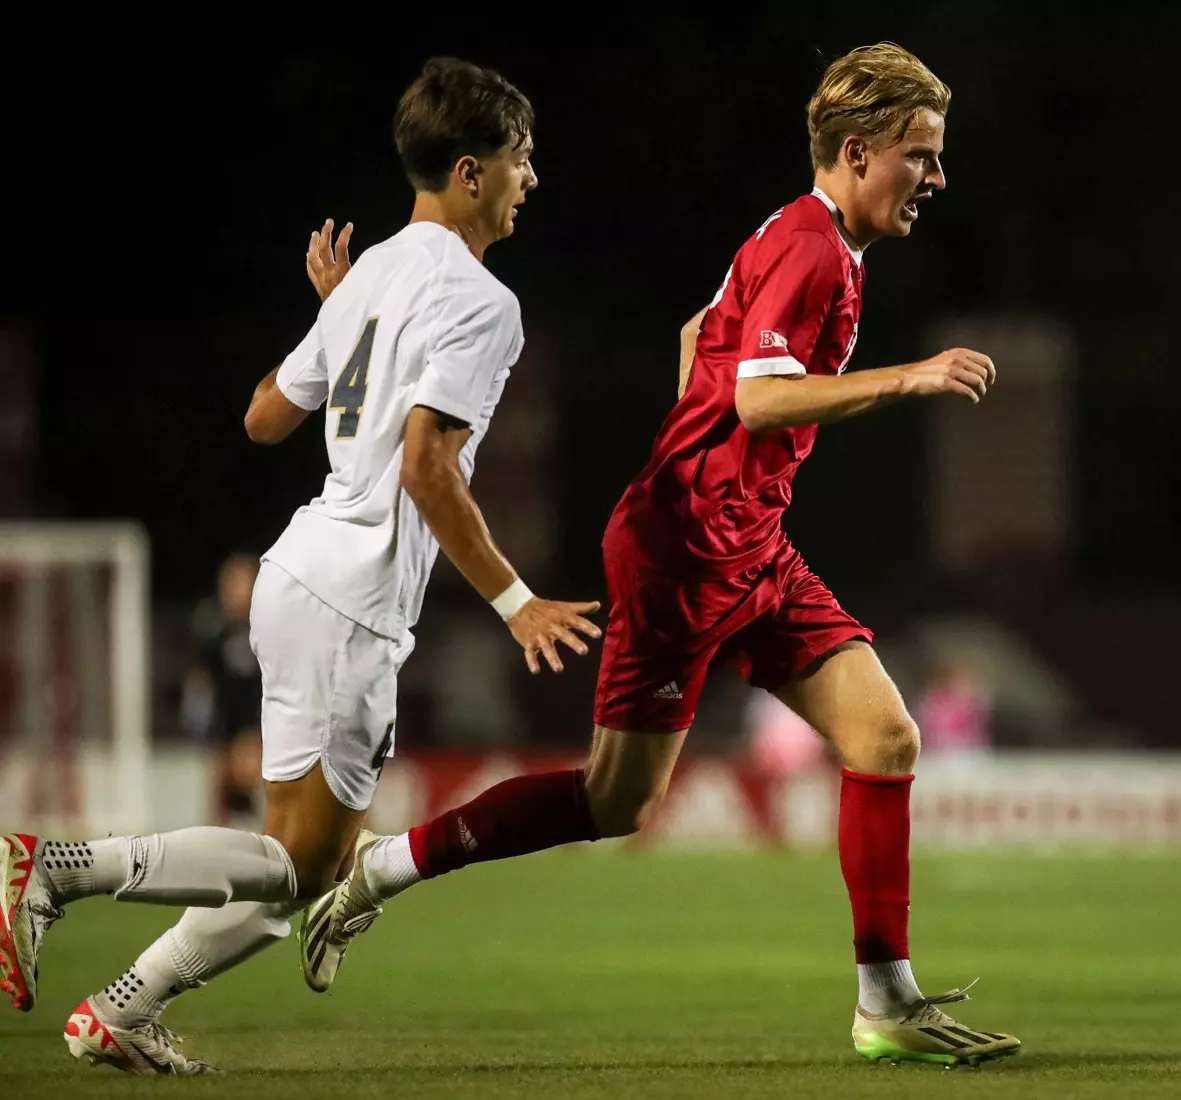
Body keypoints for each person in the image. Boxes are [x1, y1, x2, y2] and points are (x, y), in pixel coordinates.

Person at [302, 42, 1019, 1067]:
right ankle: (386, 866)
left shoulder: (803, 235)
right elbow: (758, 394)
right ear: (859, 153)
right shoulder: (814, 250)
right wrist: (910, 379)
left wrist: (713, 462)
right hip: (684, 553)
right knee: (614, 801)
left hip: (744, 541)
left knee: (886, 737)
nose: (937, 178)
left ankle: (886, 1001)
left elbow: (701, 336)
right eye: (922, 155)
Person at [0, 57, 601, 1075]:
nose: (530, 178)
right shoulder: (485, 303)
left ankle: (121, 1006)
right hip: (353, 592)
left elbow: (265, 414)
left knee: (297, 870)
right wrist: (515, 599)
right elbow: (425, 467)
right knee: (305, 864)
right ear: (468, 172)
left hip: (299, 570)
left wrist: (335, 312)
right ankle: (50, 868)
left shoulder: (368, 276)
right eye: (520, 159)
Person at [179, 553, 266, 828]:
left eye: (242, 582)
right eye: (229, 583)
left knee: (258, 774)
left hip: (262, 726)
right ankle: (216, 837)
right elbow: (201, 682)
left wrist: (260, 733)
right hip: (223, 729)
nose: (234, 590)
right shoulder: (211, 629)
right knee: (220, 783)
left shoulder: (268, 627)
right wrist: (197, 724)